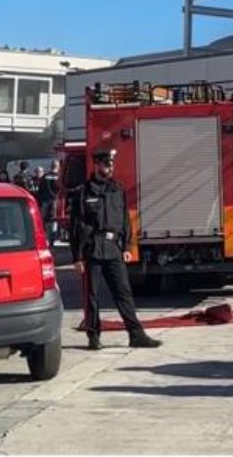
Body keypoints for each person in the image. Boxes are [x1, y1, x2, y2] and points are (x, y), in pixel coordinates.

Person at [68, 150, 161, 351]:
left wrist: (127, 246)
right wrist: (76, 257)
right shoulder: (84, 192)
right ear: (97, 166)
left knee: (124, 293)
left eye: (111, 165)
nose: (110, 168)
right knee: (92, 296)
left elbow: (125, 220)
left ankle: (136, 335)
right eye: (106, 165)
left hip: (113, 249)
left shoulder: (117, 189)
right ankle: (93, 336)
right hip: (92, 249)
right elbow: (75, 226)